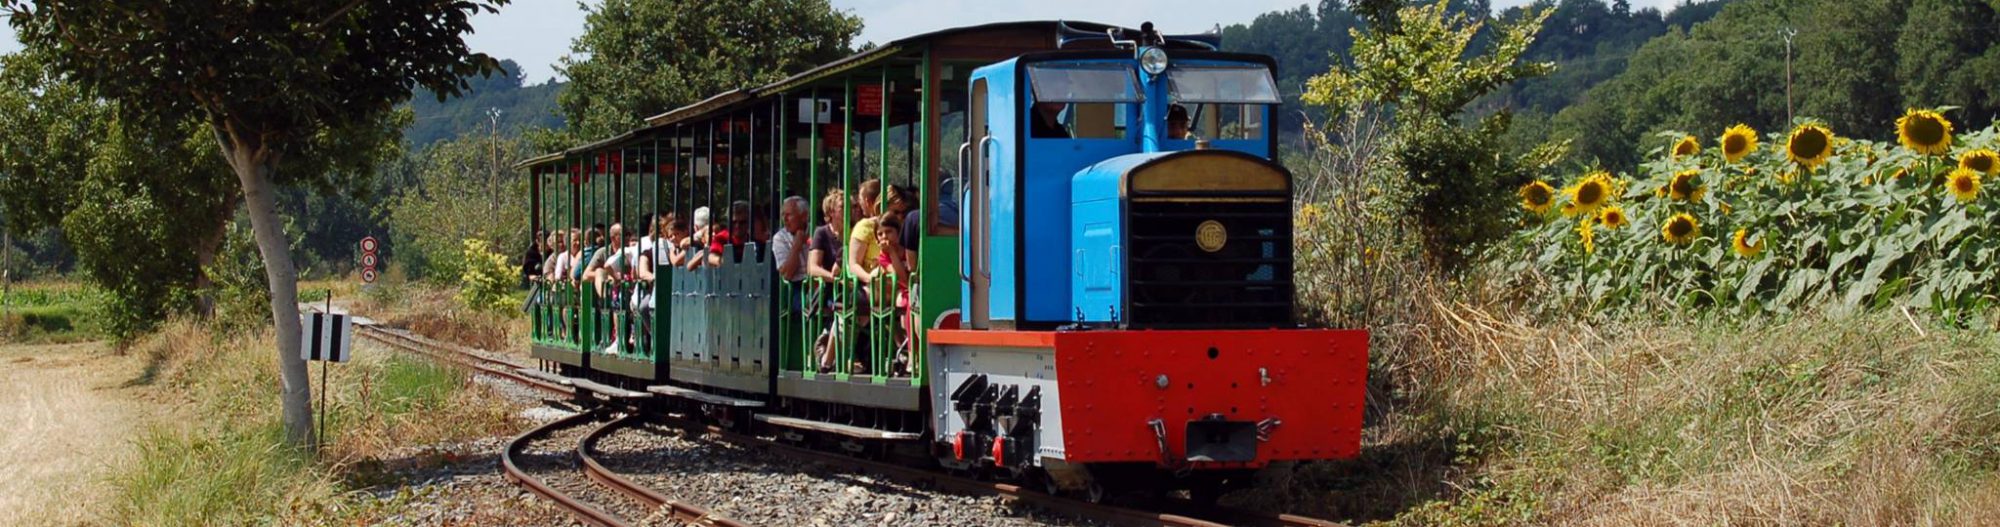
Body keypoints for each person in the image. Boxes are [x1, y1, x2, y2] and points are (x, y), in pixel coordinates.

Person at [845, 179, 886, 286]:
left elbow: (853, 264)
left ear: (867, 201)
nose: (859, 204)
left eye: (860, 199)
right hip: (872, 285)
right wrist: (871, 280)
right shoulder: (864, 225)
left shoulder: (863, 226)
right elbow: (854, 265)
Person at [773, 196, 809, 282]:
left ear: (804, 216)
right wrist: (796, 247)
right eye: (783, 215)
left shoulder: (817, 232)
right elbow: (787, 274)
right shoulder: (780, 238)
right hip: (796, 286)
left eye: (789, 215)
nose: (784, 219)